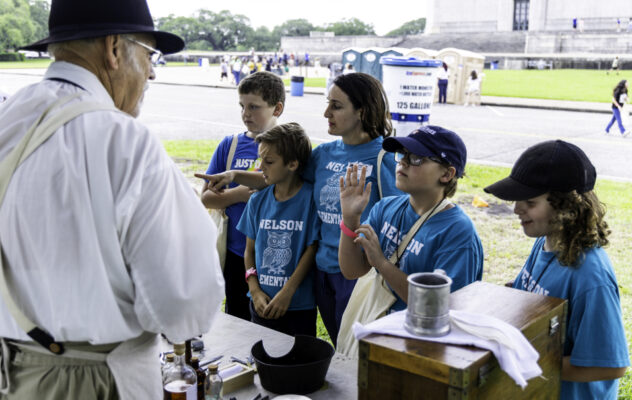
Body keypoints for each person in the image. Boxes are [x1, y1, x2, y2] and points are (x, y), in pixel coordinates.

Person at [0, 0, 225, 398]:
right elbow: (185, 306)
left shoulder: (9, 119)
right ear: (114, 50)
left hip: (12, 371)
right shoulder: (125, 142)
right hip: (95, 379)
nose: (153, 71)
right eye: (149, 54)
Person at [202, 73, 401, 347]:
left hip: (361, 275)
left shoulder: (384, 158)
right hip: (323, 272)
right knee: (338, 344)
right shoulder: (323, 154)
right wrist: (234, 174)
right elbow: (278, 175)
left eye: (337, 106)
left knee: (359, 351)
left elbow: (400, 218)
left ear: (362, 111)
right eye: (327, 103)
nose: (326, 112)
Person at [484, 140, 629, 400]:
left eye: (529, 201)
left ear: (565, 207)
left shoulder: (590, 276)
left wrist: (527, 363)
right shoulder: (545, 242)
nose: (517, 209)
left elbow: (611, 365)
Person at [338, 126, 484, 312]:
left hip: (421, 337)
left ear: (447, 174)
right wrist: (350, 219)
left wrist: (382, 263)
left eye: (416, 158)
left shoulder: (457, 232)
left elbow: (440, 308)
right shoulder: (385, 208)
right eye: (402, 154)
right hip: (381, 331)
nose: (403, 163)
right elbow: (352, 271)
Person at [199, 71, 285, 322]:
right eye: (242, 107)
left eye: (254, 107)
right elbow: (206, 197)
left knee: (272, 323)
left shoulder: (290, 145)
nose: (246, 114)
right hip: (236, 252)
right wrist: (238, 194)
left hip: (275, 255)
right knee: (236, 318)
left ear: (276, 108)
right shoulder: (231, 145)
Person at [237, 123, 320, 336]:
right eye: (260, 159)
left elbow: (311, 250)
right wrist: (254, 290)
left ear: (292, 164)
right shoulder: (257, 201)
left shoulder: (311, 199)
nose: (260, 166)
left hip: (298, 306)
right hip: (260, 303)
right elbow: (250, 251)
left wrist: (287, 292)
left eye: (269, 161)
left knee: (296, 365)